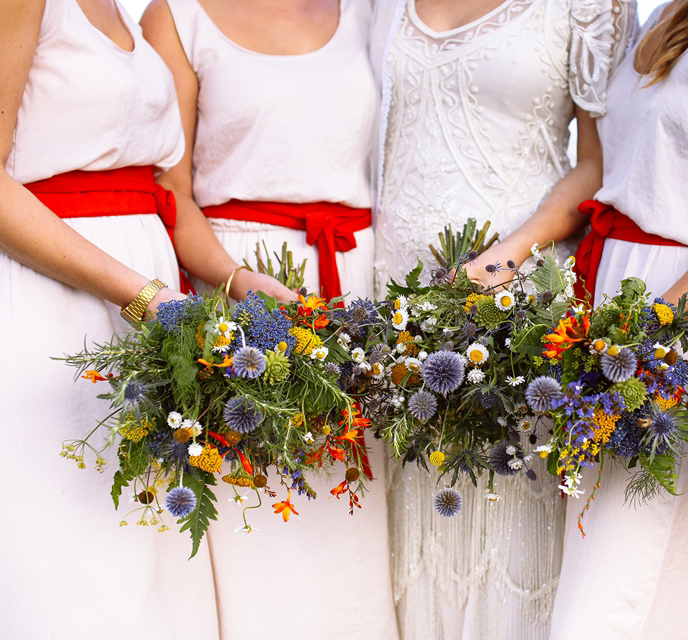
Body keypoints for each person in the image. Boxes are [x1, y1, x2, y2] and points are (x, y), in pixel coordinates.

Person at [471, 0, 688, 636]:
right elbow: (608, 174)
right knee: (603, 579)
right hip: (611, 311)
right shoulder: (658, 14)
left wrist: (648, 330)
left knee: (624, 595)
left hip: (681, 327)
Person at [0, 0, 287, 636]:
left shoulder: (125, 10)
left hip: (151, 312)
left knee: (149, 555)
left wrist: (243, 285)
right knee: (77, 554)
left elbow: (160, 191)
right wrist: (142, 295)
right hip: (63, 305)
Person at [369, 0, 634, 637]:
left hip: (516, 314)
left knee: (508, 526)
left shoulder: (591, 7)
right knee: (406, 544)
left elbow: (603, 161)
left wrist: (504, 261)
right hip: (389, 320)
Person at [140, 0, 399, 637]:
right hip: (240, 284)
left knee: (348, 510)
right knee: (253, 512)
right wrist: (237, 283)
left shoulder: (370, 11)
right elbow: (168, 188)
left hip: (352, 292)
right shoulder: (175, 16)